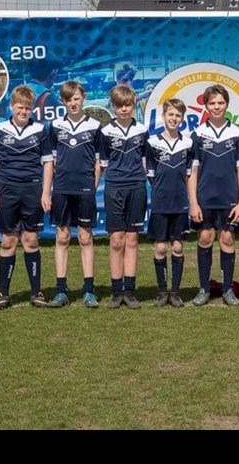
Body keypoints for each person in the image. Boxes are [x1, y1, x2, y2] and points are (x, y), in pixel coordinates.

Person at [0, 85, 54, 310]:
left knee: (31, 240)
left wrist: (46, 193)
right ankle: (3, 293)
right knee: (8, 241)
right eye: (20, 107)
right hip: (7, 191)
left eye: (27, 108)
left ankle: (36, 292)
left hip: (32, 191)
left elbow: (48, 163)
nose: (24, 111)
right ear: (11, 106)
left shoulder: (40, 131)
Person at [187, 84, 239, 307]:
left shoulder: (237, 134)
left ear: (227, 104)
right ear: (206, 105)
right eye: (212, 103)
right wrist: (193, 202)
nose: (217, 106)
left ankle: (227, 289)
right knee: (205, 238)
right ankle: (204, 288)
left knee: (228, 239)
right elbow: (192, 172)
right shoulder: (197, 135)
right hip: (204, 198)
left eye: (221, 102)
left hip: (229, 198)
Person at [44, 81, 103, 309]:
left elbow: (99, 163)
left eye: (76, 98)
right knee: (62, 237)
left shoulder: (95, 126)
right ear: (62, 101)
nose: (73, 103)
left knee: (86, 238)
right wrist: (48, 192)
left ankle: (89, 291)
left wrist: (92, 187)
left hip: (85, 190)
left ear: (83, 98)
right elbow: (51, 161)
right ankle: (61, 291)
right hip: (62, 190)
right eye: (69, 100)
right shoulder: (55, 126)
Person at [99, 84, 149, 309]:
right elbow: (103, 164)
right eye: (119, 106)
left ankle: (129, 291)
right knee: (116, 239)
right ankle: (116, 291)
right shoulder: (105, 132)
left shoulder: (142, 131)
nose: (124, 109)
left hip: (137, 187)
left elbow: (146, 161)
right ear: (113, 106)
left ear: (133, 104)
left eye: (128, 105)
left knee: (132, 239)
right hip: (114, 188)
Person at [145, 98, 193, 308]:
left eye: (178, 115)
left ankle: (175, 292)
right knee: (160, 247)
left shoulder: (188, 143)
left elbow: (190, 174)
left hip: (180, 203)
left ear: (182, 119)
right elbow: (151, 175)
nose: (174, 118)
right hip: (160, 203)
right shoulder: (151, 143)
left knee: (178, 246)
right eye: (170, 114)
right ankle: (162, 291)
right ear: (163, 116)